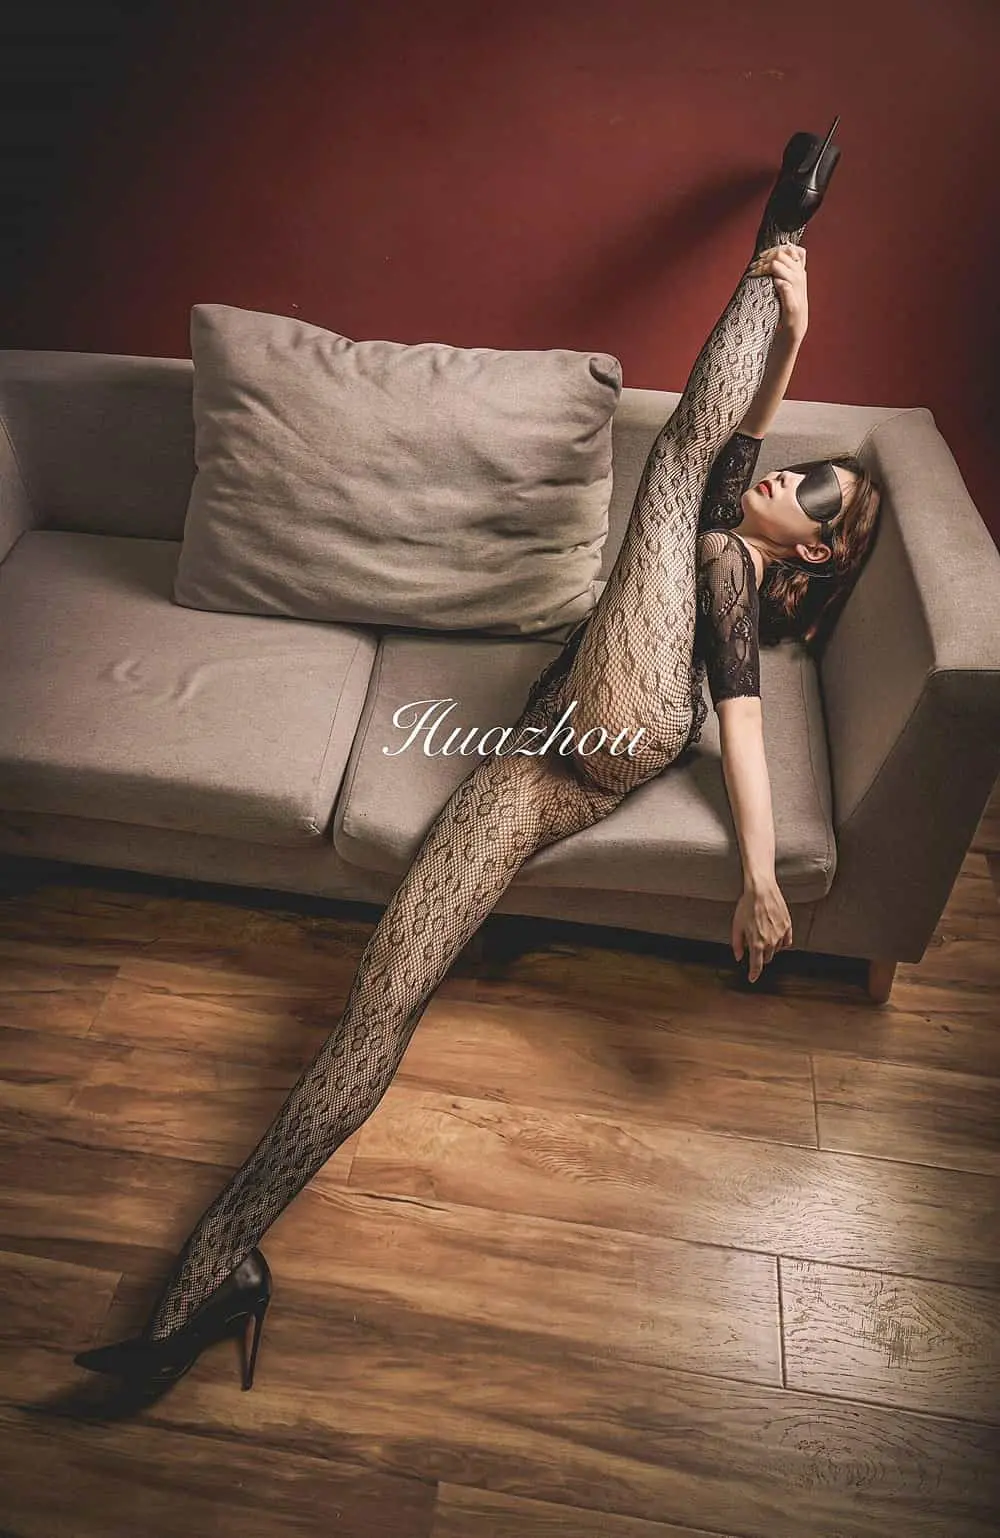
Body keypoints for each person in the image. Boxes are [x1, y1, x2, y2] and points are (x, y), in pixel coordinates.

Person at [74, 119, 882, 1393]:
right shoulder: (729, 524)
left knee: (681, 471)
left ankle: (784, 216)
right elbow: (735, 450)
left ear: (820, 551)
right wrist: (790, 334)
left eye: (813, 490)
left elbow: (736, 700)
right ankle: (209, 1272)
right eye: (793, 471)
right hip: (541, 755)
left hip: (632, 715)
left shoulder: (729, 565)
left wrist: (759, 873)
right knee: (380, 991)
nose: (788, 481)